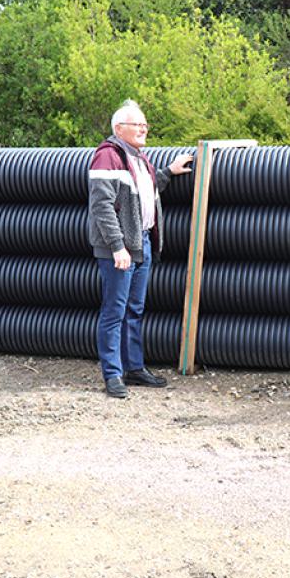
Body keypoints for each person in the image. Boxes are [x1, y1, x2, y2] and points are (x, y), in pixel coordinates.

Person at [88, 99, 192, 398]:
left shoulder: (139, 158)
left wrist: (169, 172)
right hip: (119, 249)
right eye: (138, 124)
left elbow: (144, 191)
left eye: (145, 124)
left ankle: (134, 368)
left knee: (134, 309)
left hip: (142, 242)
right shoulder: (107, 157)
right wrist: (117, 246)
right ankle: (112, 374)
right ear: (119, 128)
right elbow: (102, 206)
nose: (144, 128)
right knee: (114, 310)